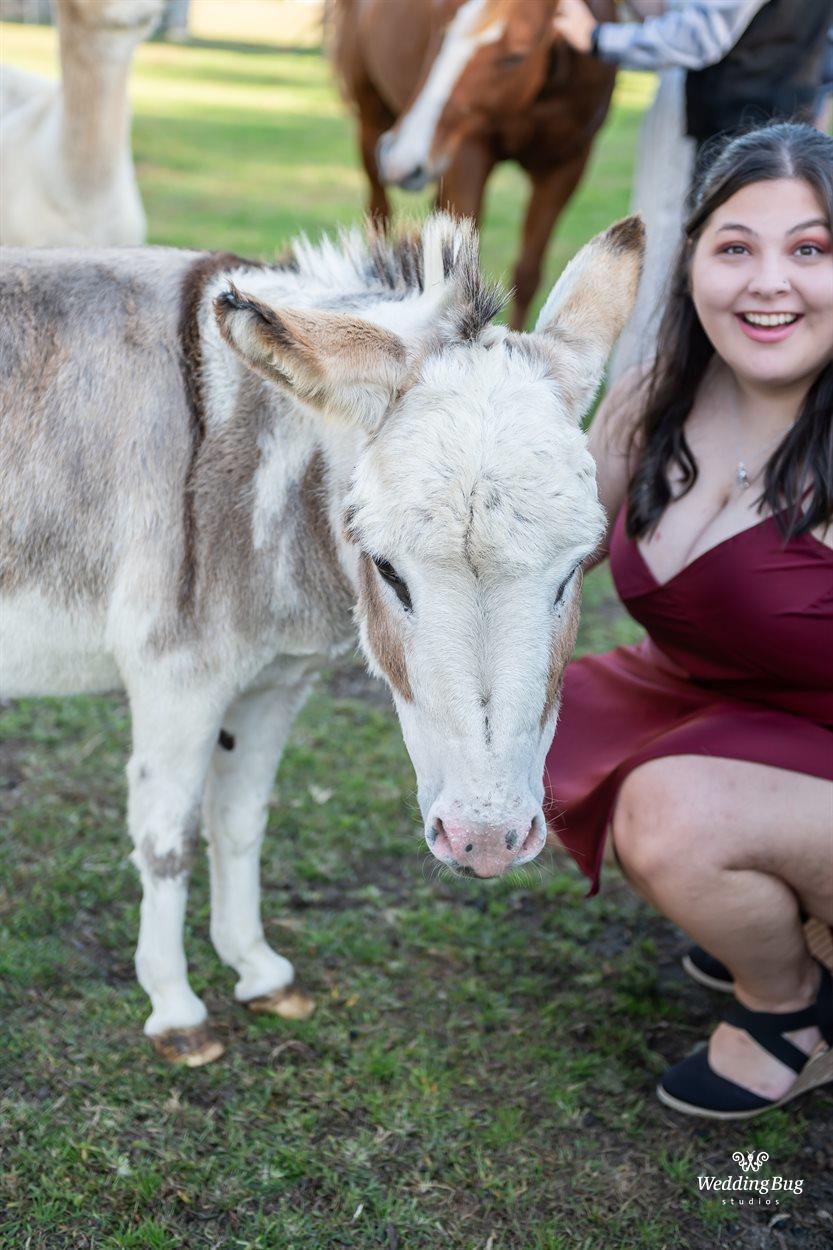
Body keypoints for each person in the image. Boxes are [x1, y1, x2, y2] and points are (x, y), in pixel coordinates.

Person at [543, 122, 833, 1119]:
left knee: (668, 815)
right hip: (718, 709)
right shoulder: (654, 396)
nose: (768, 283)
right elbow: (549, 544)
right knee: (534, 730)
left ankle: (787, 1005)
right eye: (734, 247)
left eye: (809, 249)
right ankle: (766, 905)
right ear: (691, 258)